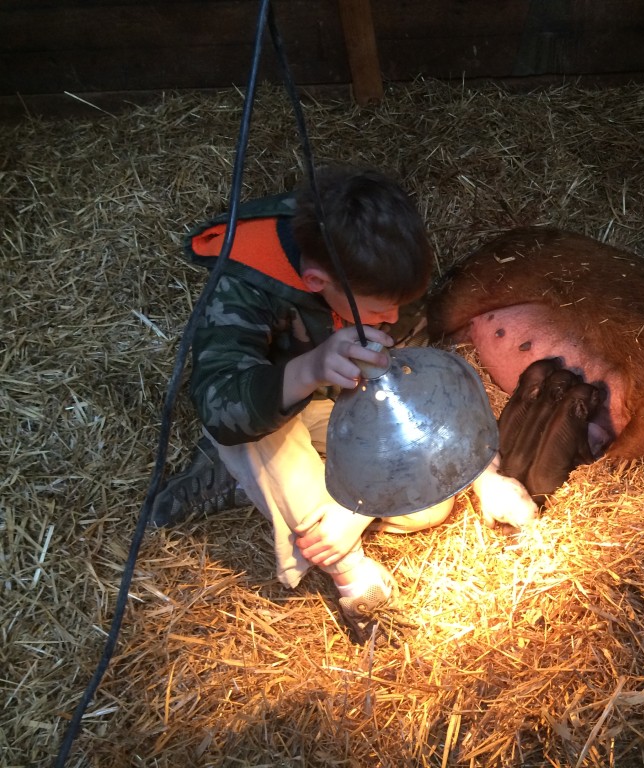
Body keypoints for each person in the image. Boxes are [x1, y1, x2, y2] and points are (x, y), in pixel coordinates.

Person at [151, 164, 454, 639]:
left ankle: (257, 493)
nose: (393, 318)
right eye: (379, 310)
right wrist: (310, 368)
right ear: (316, 282)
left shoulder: (379, 260)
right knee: (247, 441)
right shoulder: (247, 280)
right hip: (277, 415)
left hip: (340, 407)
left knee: (431, 509)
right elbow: (218, 403)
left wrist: (352, 512)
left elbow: (402, 362)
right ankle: (351, 574)